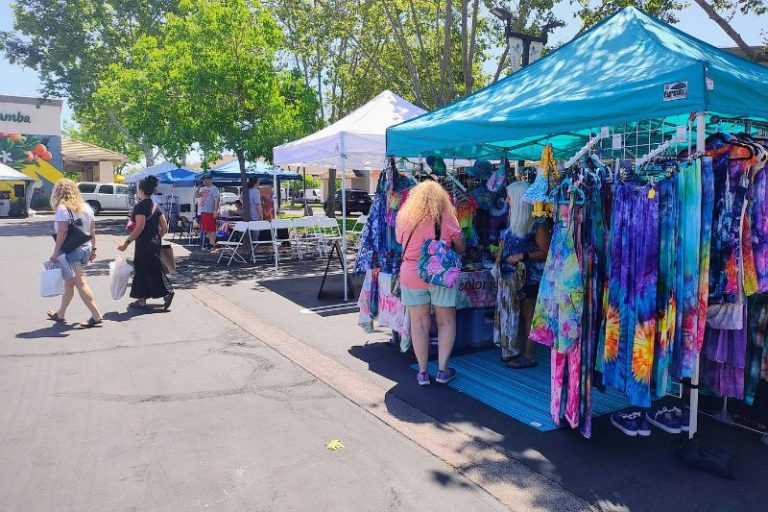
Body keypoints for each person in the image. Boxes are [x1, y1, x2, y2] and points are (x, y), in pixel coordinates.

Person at [395, 181, 465, 386]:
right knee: (446, 322)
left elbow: (400, 241)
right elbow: (460, 243)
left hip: (411, 273)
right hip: (439, 275)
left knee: (419, 324)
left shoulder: (405, 218)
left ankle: (423, 372)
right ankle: (443, 370)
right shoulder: (446, 217)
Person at [500, 181, 552, 369]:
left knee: (528, 312)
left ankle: (529, 355)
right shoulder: (515, 220)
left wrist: (523, 256)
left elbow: (546, 252)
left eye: (510, 197)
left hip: (530, 276)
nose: (506, 200)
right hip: (513, 276)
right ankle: (519, 350)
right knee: (519, 312)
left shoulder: (538, 224)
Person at [47, 178, 103, 327]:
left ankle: (96, 315)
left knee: (80, 282)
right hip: (85, 248)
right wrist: (94, 249)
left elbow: (62, 232)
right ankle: (60, 314)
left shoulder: (62, 208)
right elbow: (92, 230)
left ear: (57, 193)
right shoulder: (86, 207)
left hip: (72, 250)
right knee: (70, 282)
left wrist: (55, 253)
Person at [118, 175, 174, 310]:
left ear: (141, 191)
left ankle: (166, 292)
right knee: (150, 269)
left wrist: (127, 242)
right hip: (154, 242)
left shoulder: (140, 207)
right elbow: (165, 227)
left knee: (142, 269)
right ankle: (142, 300)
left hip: (144, 244)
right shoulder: (156, 207)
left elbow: (139, 227)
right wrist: (156, 237)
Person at [196, 174, 220, 251]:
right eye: (204, 180)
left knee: (212, 229)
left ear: (210, 180)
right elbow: (197, 195)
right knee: (207, 229)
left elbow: (217, 200)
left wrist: (215, 211)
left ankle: (212, 244)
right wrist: (198, 187)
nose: (205, 181)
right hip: (203, 211)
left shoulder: (214, 188)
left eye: (206, 179)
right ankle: (210, 244)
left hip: (210, 211)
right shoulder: (203, 188)